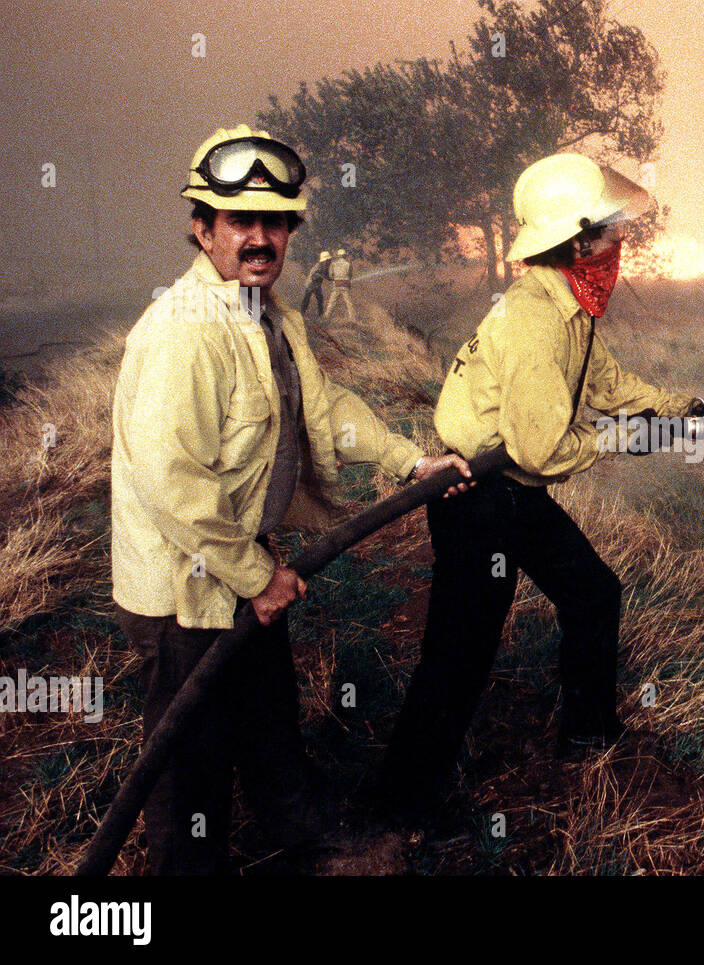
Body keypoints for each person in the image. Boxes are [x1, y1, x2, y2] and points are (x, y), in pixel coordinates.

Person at [110, 123, 473, 874]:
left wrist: (411, 461)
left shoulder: (267, 316)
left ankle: (306, 839)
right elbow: (174, 482)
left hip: (239, 559)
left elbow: (326, 406)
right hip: (187, 581)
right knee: (189, 751)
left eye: (275, 221)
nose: (260, 238)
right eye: (241, 220)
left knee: (268, 713)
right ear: (201, 228)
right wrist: (257, 577)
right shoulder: (186, 334)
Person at [376, 153, 704, 825]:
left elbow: (610, 389)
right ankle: (398, 805)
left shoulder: (570, 309)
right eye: (611, 232)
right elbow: (542, 447)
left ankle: (588, 736)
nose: (621, 244)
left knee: (593, 591)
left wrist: (695, 410)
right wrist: (636, 439)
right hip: (476, 498)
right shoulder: (534, 320)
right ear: (577, 242)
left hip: (513, 492)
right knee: (461, 651)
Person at [324, 247, 355, 323]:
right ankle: (352, 319)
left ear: (338, 256)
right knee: (349, 303)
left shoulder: (333, 264)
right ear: (344, 256)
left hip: (336, 285)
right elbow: (350, 275)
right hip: (345, 285)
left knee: (331, 303)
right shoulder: (348, 264)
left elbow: (331, 276)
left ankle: (326, 318)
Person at [300, 249, 330, 316]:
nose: (329, 262)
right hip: (311, 284)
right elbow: (313, 275)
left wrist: (332, 278)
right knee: (307, 299)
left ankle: (320, 314)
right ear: (324, 260)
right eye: (328, 260)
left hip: (317, 285)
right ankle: (302, 313)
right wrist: (321, 276)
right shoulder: (318, 266)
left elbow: (327, 276)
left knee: (320, 299)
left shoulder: (325, 267)